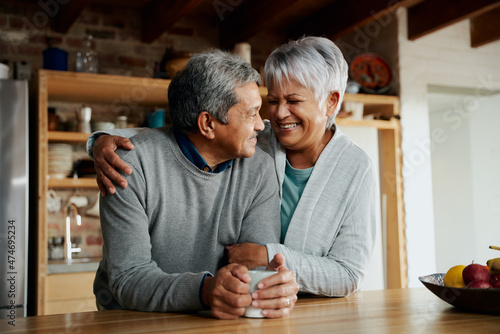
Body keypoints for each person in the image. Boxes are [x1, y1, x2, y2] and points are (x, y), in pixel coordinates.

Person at [90, 36, 377, 298]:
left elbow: (349, 273)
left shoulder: (354, 167)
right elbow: (182, 132)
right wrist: (100, 142)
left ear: (331, 101)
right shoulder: (261, 138)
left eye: (293, 101)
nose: (276, 114)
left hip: (293, 304)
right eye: (272, 101)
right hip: (236, 298)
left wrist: (269, 255)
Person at [92, 49, 299, 320]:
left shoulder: (259, 169)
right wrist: (205, 290)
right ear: (208, 124)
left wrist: (269, 287)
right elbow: (128, 280)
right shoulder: (127, 166)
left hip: (219, 319)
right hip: (132, 320)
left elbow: (253, 271)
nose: (262, 125)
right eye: (252, 114)